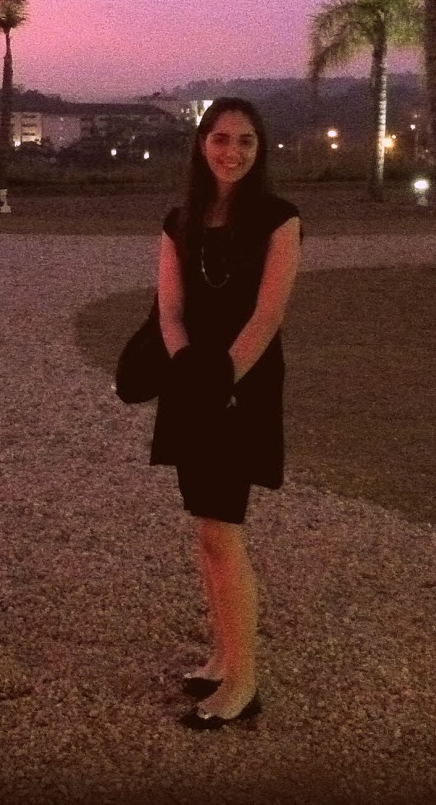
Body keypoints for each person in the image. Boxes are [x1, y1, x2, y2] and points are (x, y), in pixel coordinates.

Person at [150, 97, 301, 729]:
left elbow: (268, 315)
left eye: (245, 141)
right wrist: (189, 372)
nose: (231, 152)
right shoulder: (179, 220)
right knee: (205, 526)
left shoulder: (279, 219)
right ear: (201, 143)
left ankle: (243, 682)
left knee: (221, 528)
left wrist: (221, 381)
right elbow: (169, 310)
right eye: (220, 138)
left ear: (259, 149)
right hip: (192, 384)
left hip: (243, 386)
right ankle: (222, 657)